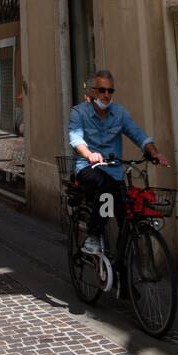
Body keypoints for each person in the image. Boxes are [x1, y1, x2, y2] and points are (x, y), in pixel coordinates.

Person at [68, 70, 169, 255]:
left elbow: (138, 134)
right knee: (106, 186)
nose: (106, 95)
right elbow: (76, 139)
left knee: (126, 218)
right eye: (102, 90)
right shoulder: (79, 112)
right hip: (88, 168)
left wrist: (154, 153)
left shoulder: (119, 113)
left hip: (114, 171)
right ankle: (94, 235)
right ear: (92, 92)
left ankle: (123, 272)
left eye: (110, 91)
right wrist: (89, 154)